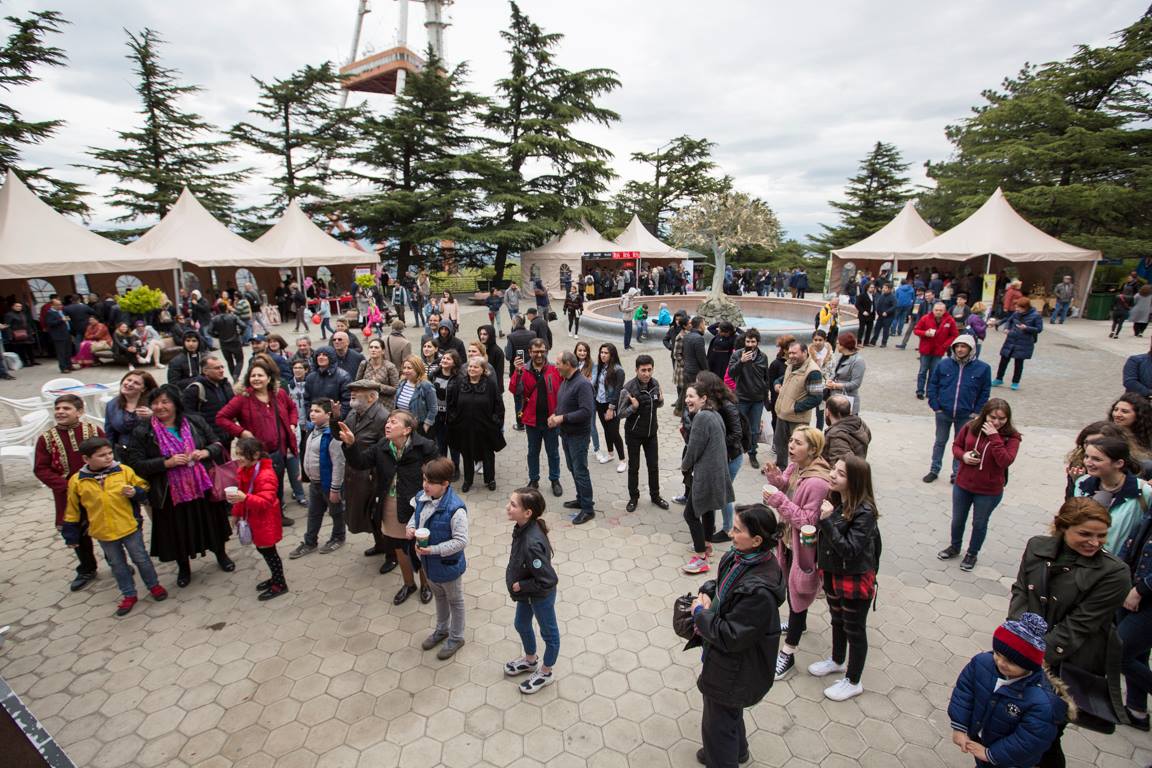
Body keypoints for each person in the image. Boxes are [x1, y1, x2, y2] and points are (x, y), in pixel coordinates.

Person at [1009, 497, 1131, 766]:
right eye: (1085, 534)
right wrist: (1015, 638)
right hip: (1023, 650)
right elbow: (1021, 591)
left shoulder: (1114, 573)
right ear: (1062, 527)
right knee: (1010, 722)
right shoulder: (1037, 547)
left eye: (1102, 535)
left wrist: (1031, 657)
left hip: (1066, 663)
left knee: (1045, 735)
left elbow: (1079, 625)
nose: (1094, 542)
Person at [688, 504, 785, 767]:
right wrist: (708, 591)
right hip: (728, 661)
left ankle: (722, 758)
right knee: (729, 713)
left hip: (735, 668)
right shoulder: (740, 557)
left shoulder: (759, 592)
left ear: (757, 540)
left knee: (717, 725)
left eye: (737, 530)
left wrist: (700, 614)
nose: (730, 534)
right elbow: (724, 588)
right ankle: (739, 751)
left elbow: (731, 635)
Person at [125, 384, 233, 588]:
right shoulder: (144, 431)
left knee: (211, 523)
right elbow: (136, 464)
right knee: (177, 531)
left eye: (165, 402)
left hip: (201, 485)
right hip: (170, 492)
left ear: (175, 403)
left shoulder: (194, 421)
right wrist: (166, 463)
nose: (159, 407)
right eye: (155, 403)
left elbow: (217, 443)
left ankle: (221, 555)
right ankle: (184, 567)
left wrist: (205, 452)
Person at [339, 410, 438, 605]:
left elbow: (438, 473)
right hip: (390, 506)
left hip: (418, 507)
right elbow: (360, 463)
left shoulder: (425, 447)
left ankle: (426, 584)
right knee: (399, 548)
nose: (387, 425)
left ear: (407, 430)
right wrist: (351, 445)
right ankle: (408, 584)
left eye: (393, 422)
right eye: (387, 422)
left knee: (421, 548)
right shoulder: (382, 446)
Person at [63, 437, 167, 616]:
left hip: (129, 526)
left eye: (110, 453)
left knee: (141, 558)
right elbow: (73, 509)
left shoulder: (123, 471)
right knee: (117, 565)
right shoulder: (77, 481)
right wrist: (71, 534)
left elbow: (143, 487)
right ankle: (129, 594)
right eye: (101, 455)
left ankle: (154, 586)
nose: (108, 457)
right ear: (86, 459)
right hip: (103, 532)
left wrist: (135, 492)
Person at [761, 425, 833, 680]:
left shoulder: (817, 482)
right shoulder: (796, 466)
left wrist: (778, 501)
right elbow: (786, 486)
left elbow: (807, 521)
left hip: (804, 549)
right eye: (791, 440)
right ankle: (797, 625)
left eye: (798, 443)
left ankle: (788, 652)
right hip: (788, 541)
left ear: (813, 450)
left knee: (799, 593)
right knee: (793, 591)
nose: (791, 445)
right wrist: (775, 478)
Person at [947, 614, 1066, 767]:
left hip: (1009, 760)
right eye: (998, 653)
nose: (1000, 663)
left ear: (1028, 664)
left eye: (1010, 661)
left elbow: (1029, 741)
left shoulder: (1041, 702)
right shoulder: (981, 664)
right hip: (982, 743)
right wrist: (959, 726)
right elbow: (964, 692)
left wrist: (991, 754)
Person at [808, 455, 881, 701]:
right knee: (837, 620)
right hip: (832, 573)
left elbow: (849, 549)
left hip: (854, 579)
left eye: (840, 473)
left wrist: (827, 521)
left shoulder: (865, 512)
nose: (832, 475)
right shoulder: (838, 500)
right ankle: (837, 660)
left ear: (855, 481)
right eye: (834, 469)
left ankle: (853, 680)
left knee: (854, 629)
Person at [937, 398, 1021, 571]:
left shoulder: (1012, 437)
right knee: (958, 520)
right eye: (992, 417)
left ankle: (972, 553)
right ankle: (954, 546)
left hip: (988, 490)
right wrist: (963, 456)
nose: (996, 422)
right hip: (963, 484)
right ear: (985, 415)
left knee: (979, 523)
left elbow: (1005, 460)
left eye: (1002, 419)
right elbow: (956, 446)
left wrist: (994, 437)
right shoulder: (971, 426)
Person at [215, 359, 299, 527]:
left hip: (279, 450)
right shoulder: (242, 398)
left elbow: (292, 408)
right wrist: (242, 432)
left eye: (260, 375)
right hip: (256, 455)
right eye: (253, 376)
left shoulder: (279, 394)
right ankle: (261, 519)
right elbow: (221, 418)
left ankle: (278, 515)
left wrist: (292, 424)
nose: (256, 379)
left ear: (269, 378)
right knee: (260, 487)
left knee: (276, 485)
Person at [35, 395, 105, 592]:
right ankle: (87, 568)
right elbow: (41, 468)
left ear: (79, 412)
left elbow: (107, 455)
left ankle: (116, 561)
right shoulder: (46, 438)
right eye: (57, 408)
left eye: (66, 408)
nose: (60, 412)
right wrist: (67, 486)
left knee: (105, 524)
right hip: (66, 494)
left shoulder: (93, 431)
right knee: (77, 531)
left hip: (97, 489)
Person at [409, 456, 470, 660]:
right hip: (429, 564)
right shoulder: (422, 497)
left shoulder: (455, 509)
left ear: (445, 484)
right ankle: (442, 629)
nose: (425, 485)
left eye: (431, 482)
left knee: (455, 601)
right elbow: (415, 515)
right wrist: (411, 527)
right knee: (439, 597)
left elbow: (461, 541)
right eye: (424, 479)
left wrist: (433, 550)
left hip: (447, 565)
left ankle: (457, 637)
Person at [504, 486, 560, 694]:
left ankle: (546, 672)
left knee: (549, 634)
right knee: (521, 623)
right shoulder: (523, 527)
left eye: (513, 505)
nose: (508, 507)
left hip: (540, 595)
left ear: (528, 513)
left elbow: (548, 580)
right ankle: (530, 660)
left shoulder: (531, 542)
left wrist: (522, 585)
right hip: (527, 594)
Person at [680, 382, 734, 574]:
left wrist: (684, 466)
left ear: (703, 398)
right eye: (686, 396)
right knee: (707, 509)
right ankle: (707, 544)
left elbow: (694, 449)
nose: (687, 400)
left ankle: (701, 557)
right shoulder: (714, 413)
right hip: (716, 472)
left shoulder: (701, 417)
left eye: (691, 396)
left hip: (706, 475)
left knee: (690, 514)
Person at [227, 437, 288, 600]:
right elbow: (242, 494)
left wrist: (245, 498)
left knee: (269, 552)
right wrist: (236, 513)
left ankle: (280, 584)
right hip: (254, 519)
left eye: (241, 454)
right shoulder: (246, 469)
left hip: (265, 521)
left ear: (255, 455)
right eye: (237, 454)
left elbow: (266, 502)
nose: (238, 458)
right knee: (263, 550)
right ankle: (275, 578)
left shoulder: (265, 474)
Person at [925, 335, 991, 483]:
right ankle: (934, 469)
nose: (960, 349)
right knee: (940, 442)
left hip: (966, 415)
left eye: (964, 346)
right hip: (943, 412)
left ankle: (957, 474)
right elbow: (933, 384)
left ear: (971, 349)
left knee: (961, 445)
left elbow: (985, 392)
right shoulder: (943, 364)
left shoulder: (983, 368)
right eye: (957, 346)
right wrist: (935, 406)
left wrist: (976, 411)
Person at [339, 380, 391, 568]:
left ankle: (392, 555)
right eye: (352, 390)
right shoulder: (354, 413)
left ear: (371, 397)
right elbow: (341, 436)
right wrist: (334, 419)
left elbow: (386, 451)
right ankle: (380, 545)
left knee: (379, 515)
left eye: (358, 391)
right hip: (356, 472)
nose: (352, 393)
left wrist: (376, 476)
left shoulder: (382, 417)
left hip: (372, 475)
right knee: (368, 514)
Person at [1073, 436, 1152, 553]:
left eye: (1096, 459)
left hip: (1119, 559)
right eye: (1086, 457)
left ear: (1119, 463)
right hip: (1082, 555)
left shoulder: (1143, 491)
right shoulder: (1082, 483)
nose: (1088, 463)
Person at [290, 399, 345, 558]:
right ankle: (310, 542)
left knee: (336, 512)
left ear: (328, 414)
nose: (312, 414)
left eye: (317, 411)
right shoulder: (312, 430)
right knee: (314, 513)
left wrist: (335, 489)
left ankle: (338, 537)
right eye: (312, 410)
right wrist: (305, 473)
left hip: (328, 484)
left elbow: (339, 464)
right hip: (315, 483)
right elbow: (308, 454)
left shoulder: (332, 435)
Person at [510, 340, 563, 497]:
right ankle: (534, 479)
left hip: (551, 421)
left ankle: (555, 479)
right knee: (533, 452)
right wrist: (517, 372)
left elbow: (564, 392)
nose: (539, 354)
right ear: (529, 352)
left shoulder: (555, 369)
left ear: (546, 351)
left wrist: (560, 414)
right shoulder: (523, 370)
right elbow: (514, 389)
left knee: (553, 452)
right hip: (532, 421)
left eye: (542, 351)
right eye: (536, 351)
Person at [617, 354, 668, 513]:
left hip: (651, 433)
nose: (647, 373)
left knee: (653, 466)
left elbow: (657, 404)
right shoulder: (628, 389)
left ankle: (655, 496)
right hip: (634, 434)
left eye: (649, 370)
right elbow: (620, 413)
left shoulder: (655, 384)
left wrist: (661, 401)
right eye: (643, 370)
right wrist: (633, 408)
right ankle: (633, 497)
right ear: (636, 370)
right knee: (634, 467)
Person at [550, 350, 596, 525]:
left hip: (578, 436)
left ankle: (588, 509)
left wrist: (562, 418)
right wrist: (555, 414)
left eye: (558, 363)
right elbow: (564, 404)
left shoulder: (582, 384)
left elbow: (586, 412)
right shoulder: (566, 380)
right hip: (566, 434)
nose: (556, 366)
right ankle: (581, 499)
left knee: (580, 471)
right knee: (572, 468)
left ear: (568, 364)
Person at [448, 357, 506, 492]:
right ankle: (468, 480)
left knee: (488, 454)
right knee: (467, 453)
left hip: (485, 427)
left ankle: (490, 479)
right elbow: (452, 404)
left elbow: (498, 405)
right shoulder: (460, 383)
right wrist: (455, 420)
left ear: (483, 370)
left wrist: (495, 421)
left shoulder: (490, 384)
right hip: (465, 427)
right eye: (470, 366)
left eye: (475, 367)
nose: (471, 369)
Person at [772, 341, 822, 471]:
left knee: (799, 448)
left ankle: (799, 472)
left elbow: (816, 398)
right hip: (783, 415)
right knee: (780, 443)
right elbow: (784, 379)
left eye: (794, 353)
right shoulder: (791, 365)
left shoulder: (813, 371)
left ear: (805, 352)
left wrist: (794, 408)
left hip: (797, 419)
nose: (791, 356)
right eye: (790, 353)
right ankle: (781, 468)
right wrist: (777, 383)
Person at [728, 328, 770, 469]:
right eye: (748, 341)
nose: (750, 344)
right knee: (739, 427)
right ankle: (736, 452)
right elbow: (731, 373)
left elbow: (766, 377)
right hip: (742, 397)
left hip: (757, 399)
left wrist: (766, 395)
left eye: (753, 341)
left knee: (754, 429)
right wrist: (741, 362)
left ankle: (752, 453)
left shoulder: (763, 357)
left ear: (757, 342)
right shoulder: (737, 355)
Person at [990, 297, 1044, 390]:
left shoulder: (1036, 316)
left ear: (1025, 307)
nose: (1017, 309)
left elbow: (1039, 329)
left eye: (1019, 307)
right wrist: (1006, 328)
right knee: (1003, 360)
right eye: (1016, 307)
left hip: (1024, 342)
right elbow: (1009, 321)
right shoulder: (1016, 313)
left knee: (1019, 363)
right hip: (1011, 339)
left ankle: (1015, 382)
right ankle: (999, 378)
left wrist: (1026, 328)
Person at [105, 370, 158, 458]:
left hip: (150, 453)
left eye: (136, 383)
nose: (129, 384)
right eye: (128, 380)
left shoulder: (154, 403)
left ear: (143, 389)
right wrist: (110, 454)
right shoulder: (112, 405)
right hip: (124, 453)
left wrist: (154, 416)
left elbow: (170, 424)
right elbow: (110, 434)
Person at [591, 343, 627, 474]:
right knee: (606, 429)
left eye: (606, 353)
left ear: (612, 355)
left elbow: (617, 392)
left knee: (614, 432)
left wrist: (611, 409)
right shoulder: (600, 367)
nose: (603, 355)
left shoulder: (618, 370)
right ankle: (610, 454)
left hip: (611, 405)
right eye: (601, 352)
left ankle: (622, 460)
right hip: (600, 403)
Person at [182, 355, 233, 445]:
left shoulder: (225, 384)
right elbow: (188, 415)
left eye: (222, 367)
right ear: (205, 371)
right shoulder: (194, 390)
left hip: (227, 435)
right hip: (209, 440)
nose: (221, 370)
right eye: (217, 368)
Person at [913, 302, 959, 399]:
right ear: (933, 310)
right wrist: (925, 333)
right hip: (925, 349)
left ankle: (930, 392)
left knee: (934, 372)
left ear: (944, 311)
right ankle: (920, 391)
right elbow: (916, 330)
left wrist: (945, 345)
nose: (938, 312)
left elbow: (954, 335)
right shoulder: (925, 318)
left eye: (940, 310)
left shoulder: (949, 320)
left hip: (939, 350)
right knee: (923, 371)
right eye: (936, 310)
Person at [395, 356, 438, 437]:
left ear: (418, 369)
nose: (406, 370)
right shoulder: (402, 383)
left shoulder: (426, 385)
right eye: (404, 368)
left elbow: (433, 407)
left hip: (419, 427)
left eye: (409, 368)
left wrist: (426, 425)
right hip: (403, 424)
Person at [1109, 392, 1152, 473]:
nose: (1117, 414)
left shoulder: (1148, 434)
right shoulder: (1108, 434)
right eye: (1115, 410)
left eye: (1124, 411)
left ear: (1138, 415)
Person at [824, 332, 865, 415]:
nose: (836, 344)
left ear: (843, 345)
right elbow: (836, 372)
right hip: (835, 398)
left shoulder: (858, 361)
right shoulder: (843, 356)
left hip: (847, 400)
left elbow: (855, 384)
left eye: (838, 343)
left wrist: (836, 385)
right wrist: (829, 380)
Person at [304, 347, 352, 417]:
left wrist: (339, 416)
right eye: (318, 355)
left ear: (331, 357)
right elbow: (306, 400)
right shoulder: (311, 377)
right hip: (316, 419)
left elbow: (347, 401)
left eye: (324, 355)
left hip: (335, 419)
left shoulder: (343, 376)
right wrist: (310, 415)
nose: (320, 357)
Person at [823, 395, 871, 464]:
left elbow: (841, 465)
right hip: (860, 463)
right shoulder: (859, 422)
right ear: (850, 411)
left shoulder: (836, 435)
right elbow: (868, 437)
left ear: (827, 412)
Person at [356, 338, 400, 410]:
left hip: (385, 406)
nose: (373, 350)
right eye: (371, 347)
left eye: (376, 347)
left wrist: (378, 386)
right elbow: (357, 383)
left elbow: (395, 389)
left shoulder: (390, 367)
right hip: (367, 405)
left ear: (383, 351)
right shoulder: (364, 364)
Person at [208, 302, 245, 379]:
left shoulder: (214, 319)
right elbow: (243, 325)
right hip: (235, 341)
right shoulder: (233, 317)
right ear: (226, 308)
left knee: (229, 361)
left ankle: (234, 377)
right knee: (240, 360)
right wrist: (240, 333)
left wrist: (217, 336)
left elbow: (209, 331)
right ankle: (236, 375)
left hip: (223, 343)